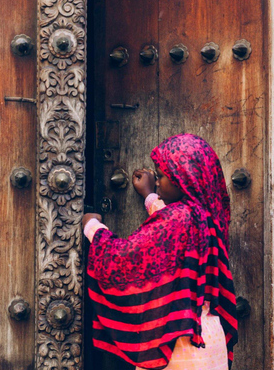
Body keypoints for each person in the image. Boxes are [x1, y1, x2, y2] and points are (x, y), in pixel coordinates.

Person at [82, 134, 237, 370]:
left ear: (182, 180)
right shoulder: (208, 216)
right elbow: (174, 232)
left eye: (162, 176)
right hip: (209, 339)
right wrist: (151, 197)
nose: (157, 181)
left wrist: (92, 226)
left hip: (180, 345)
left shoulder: (178, 219)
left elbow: (124, 257)